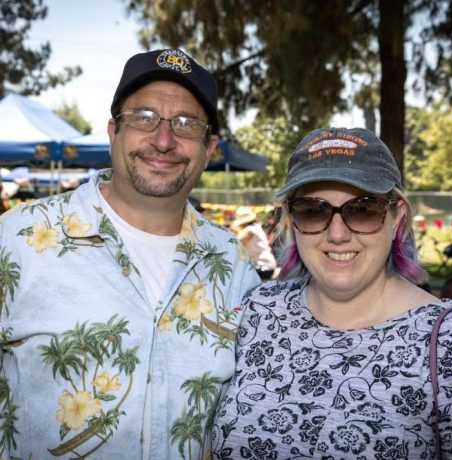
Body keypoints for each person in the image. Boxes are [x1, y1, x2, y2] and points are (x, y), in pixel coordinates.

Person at [0, 48, 260, 459]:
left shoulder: (234, 265)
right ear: (113, 131)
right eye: (143, 118)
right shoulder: (17, 240)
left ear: (209, 148)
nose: (163, 140)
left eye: (186, 124)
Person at [212, 127, 452, 459]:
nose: (338, 234)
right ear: (291, 219)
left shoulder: (447, 343)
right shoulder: (260, 310)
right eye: (313, 210)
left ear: (396, 215)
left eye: (363, 209)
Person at [233, 207, 278, 280]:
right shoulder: (256, 227)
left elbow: (234, 244)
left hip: (262, 266)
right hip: (267, 265)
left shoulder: (249, 230)